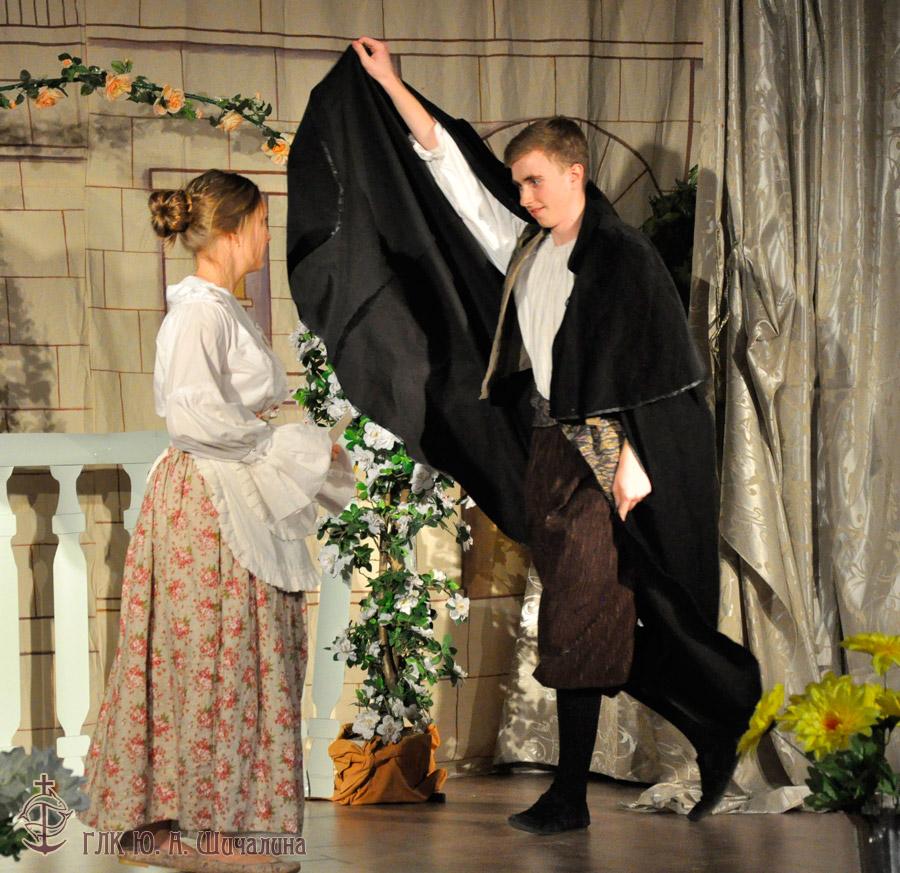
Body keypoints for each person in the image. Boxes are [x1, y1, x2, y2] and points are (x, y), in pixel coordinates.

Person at [343, 37, 762, 833]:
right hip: (548, 454)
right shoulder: (530, 249)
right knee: (589, 620)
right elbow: (454, 175)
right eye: (519, 183)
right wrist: (392, 85)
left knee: (580, 617)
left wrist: (626, 463)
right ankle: (710, 719)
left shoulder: (621, 258)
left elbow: (652, 373)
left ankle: (575, 792)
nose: (524, 195)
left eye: (535, 180)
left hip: (601, 462)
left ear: (576, 172)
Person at [80, 169, 356, 871]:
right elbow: (195, 416)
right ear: (234, 229)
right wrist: (284, 444)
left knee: (241, 654)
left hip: (227, 490)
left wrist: (288, 445)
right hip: (208, 501)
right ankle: (210, 833)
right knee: (218, 659)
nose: (267, 235)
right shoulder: (199, 314)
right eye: (262, 222)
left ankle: (212, 826)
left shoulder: (220, 309)